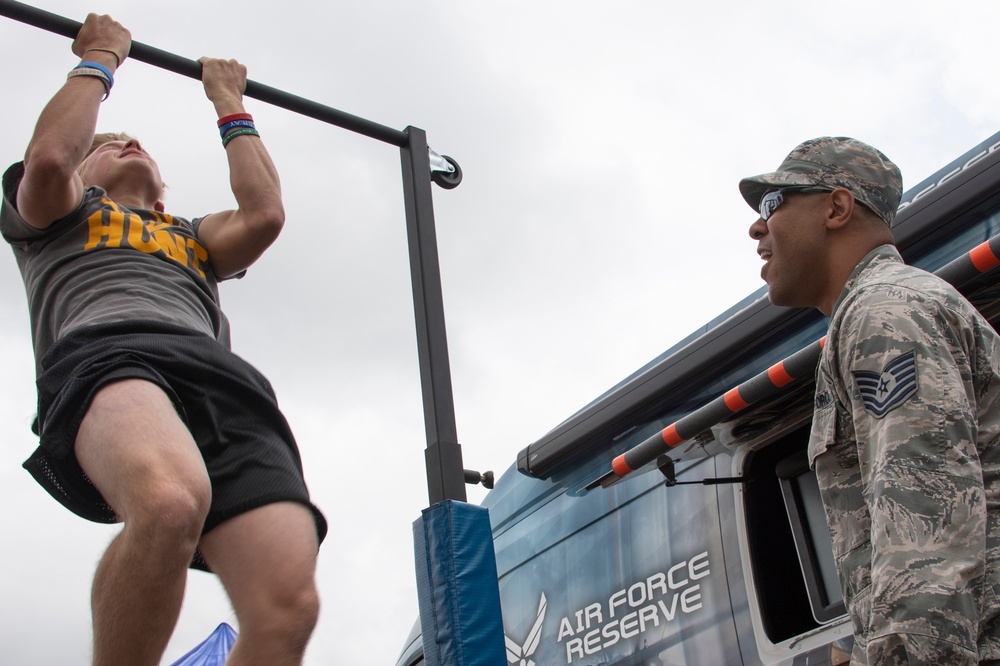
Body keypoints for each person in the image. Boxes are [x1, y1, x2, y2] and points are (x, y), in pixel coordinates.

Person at [0, 13, 327, 666]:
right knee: (170, 503)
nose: (130, 144)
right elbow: (49, 158)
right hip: (110, 356)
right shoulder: (60, 216)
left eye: (139, 145)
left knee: (288, 607)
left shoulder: (191, 235)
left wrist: (229, 103)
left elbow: (263, 215)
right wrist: (99, 59)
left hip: (222, 380)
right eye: (110, 144)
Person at [741, 136, 1000, 665]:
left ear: (836, 208)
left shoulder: (882, 313)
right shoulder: (879, 311)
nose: (756, 227)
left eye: (773, 204)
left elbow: (926, 533)